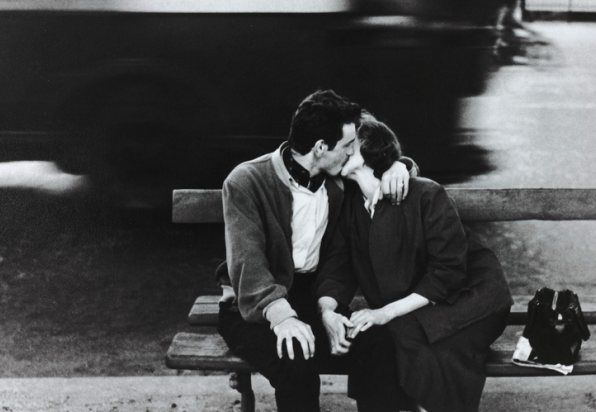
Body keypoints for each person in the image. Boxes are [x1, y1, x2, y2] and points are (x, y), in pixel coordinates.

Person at [216, 89, 416, 412]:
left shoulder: (336, 180)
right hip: (252, 307)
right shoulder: (246, 182)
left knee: (377, 344)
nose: (355, 154)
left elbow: (382, 157)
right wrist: (282, 319)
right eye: (348, 146)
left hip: (311, 298)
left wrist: (400, 168)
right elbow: (248, 265)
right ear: (321, 148)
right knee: (296, 361)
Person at [316, 118, 513, 412]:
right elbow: (338, 266)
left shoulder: (425, 194)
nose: (340, 151)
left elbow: (448, 273)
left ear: (368, 151)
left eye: (348, 145)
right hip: (419, 303)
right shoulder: (352, 204)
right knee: (371, 336)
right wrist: (328, 310)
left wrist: (383, 312)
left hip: (470, 298)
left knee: (411, 343)